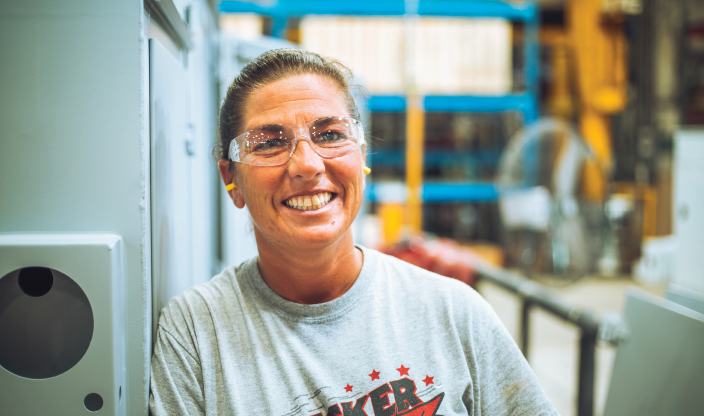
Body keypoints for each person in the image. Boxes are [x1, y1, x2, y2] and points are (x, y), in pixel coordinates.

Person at [149, 49, 559, 416]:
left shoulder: (452, 312)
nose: (306, 164)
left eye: (330, 135)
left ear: (362, 156)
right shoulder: (196, 333)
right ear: (232, 180)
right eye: (269, 143)